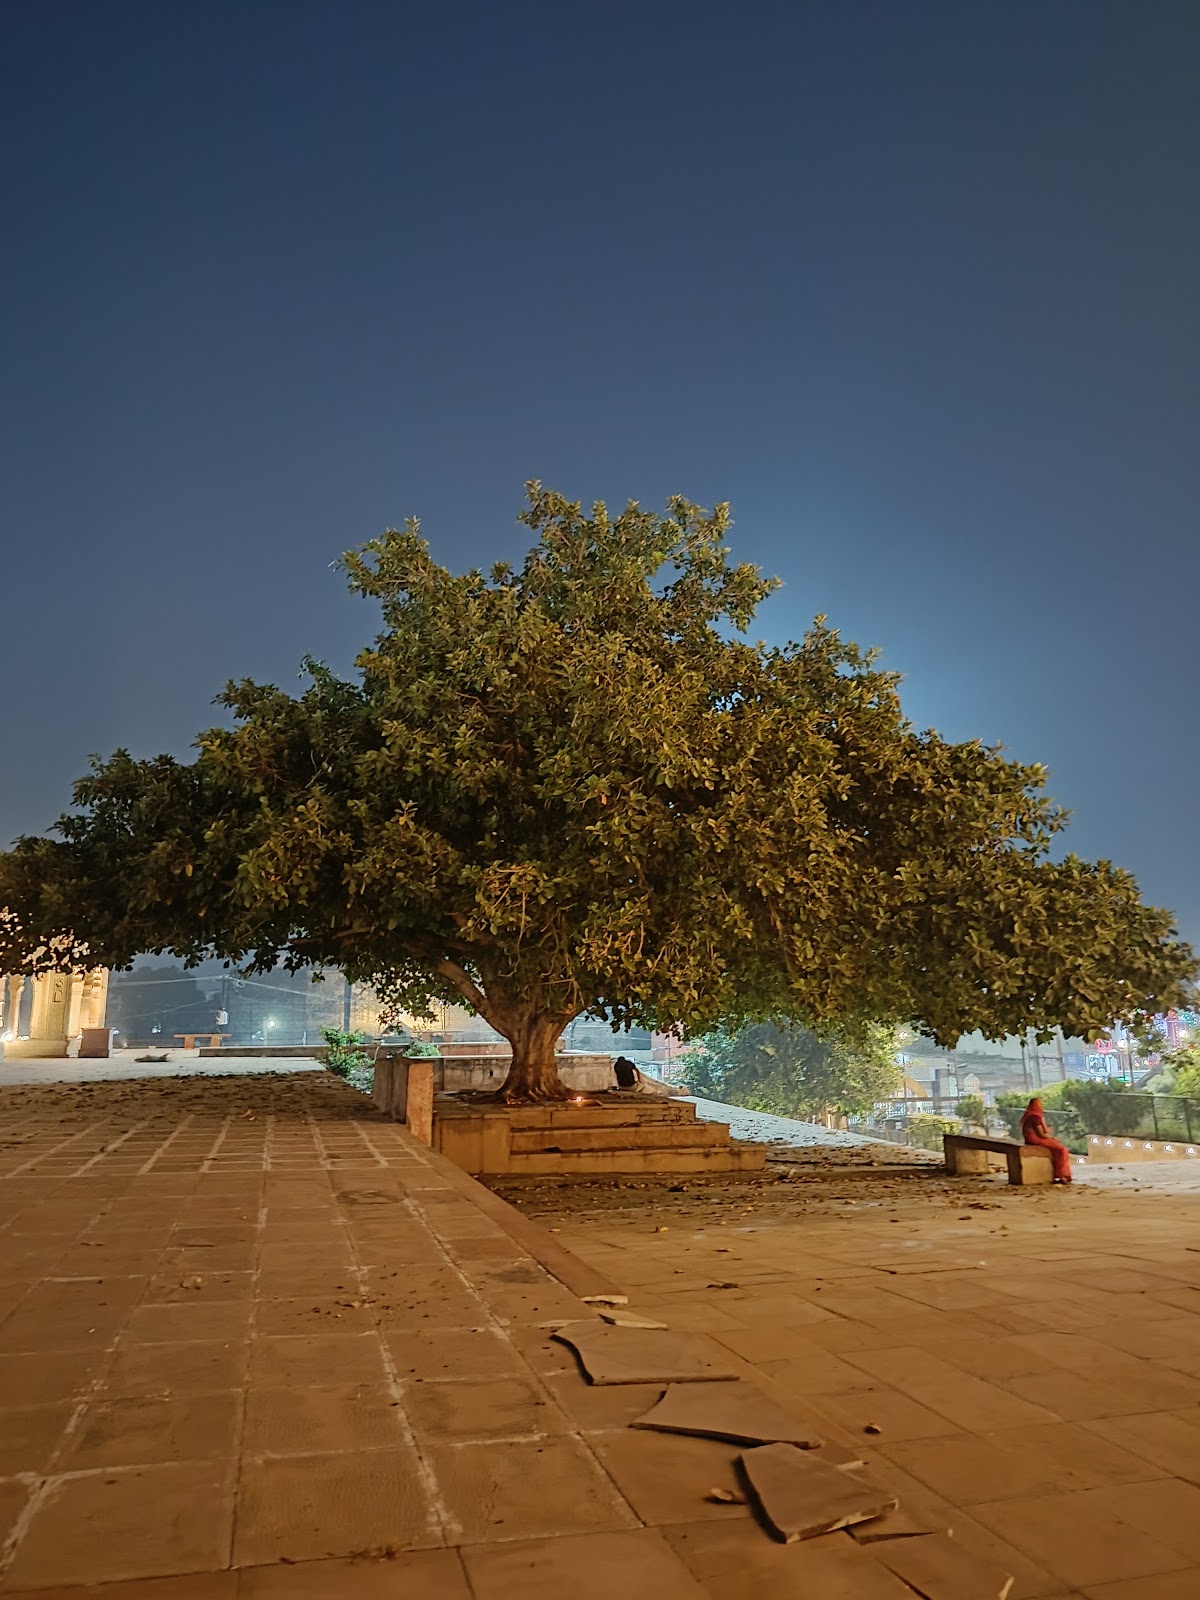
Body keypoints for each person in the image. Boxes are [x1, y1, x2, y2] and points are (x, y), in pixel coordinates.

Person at [1020, 1096, 1072, 1183]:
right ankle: (1063, 1174)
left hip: (1031, 1139)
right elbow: (1041, 1134)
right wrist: (1051, 1138)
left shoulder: (1028, 1115)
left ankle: (1059, 1173)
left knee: (1057, 1148)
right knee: (1061, 1150)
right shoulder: (1035, 1117)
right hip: (1035, 1140)